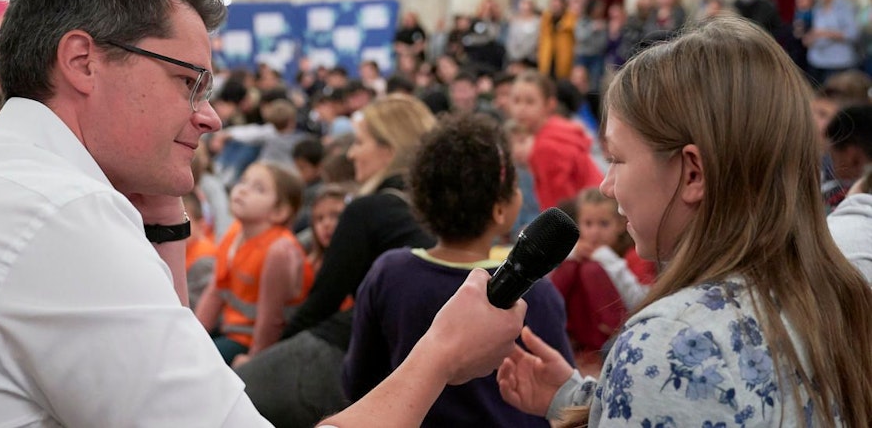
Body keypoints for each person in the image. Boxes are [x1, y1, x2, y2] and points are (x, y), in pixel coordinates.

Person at [0, 0, 531, 426]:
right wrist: (439, 355)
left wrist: (161, 216)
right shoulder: (62, 217)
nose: (210, 113)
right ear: (83, 62)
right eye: (187, 80)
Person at [496, 16, 872, 427]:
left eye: (618, 159)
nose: (605, 185)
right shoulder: (839, 291)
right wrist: (585, 397)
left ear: (693, 173)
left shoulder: (675, 342)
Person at [343, 113, 573, 427]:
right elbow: (559, 399)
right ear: (500, 209)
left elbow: (357, 380)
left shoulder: (388, 272)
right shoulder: (537, 292)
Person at [236, 94, 437, 428]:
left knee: (228, 397)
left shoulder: (369, 210)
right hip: (405, 368)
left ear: (388, 150)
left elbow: (323, 300)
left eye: (360, 143)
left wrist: (268, 356)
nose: (350, 153)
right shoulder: (434, 212)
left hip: (345, 358)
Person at [196, 162, 310, 365]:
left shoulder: (279, 251)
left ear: (280, 211)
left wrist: (253, 361)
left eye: (258, 188)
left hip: (256, 344)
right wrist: (192, 334)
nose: (243, 190)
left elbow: (271, 321)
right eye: (244, 181)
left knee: (197, 362)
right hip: (231, 330)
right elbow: (216, 290)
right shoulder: (235, 232)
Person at [550, 188, 654, 375]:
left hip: (619, 330)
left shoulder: (635, 253)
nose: (594, 233)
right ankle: (562, 339)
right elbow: (547, 283)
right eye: (588, 224)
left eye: (604, 224)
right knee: (571, 267)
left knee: (591, 269)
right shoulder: (578, 250)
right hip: (579, 333)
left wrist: (606, 260)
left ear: (621, 225)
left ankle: (603, 349)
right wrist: (571, 255)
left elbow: (642, 300)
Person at [508, 71, 603, 209]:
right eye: (516, 101)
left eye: (530, 102)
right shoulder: (556, 129)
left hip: (591, 212)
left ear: (550, 104)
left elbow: (560, 208)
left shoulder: (546, 146)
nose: (521, 109)